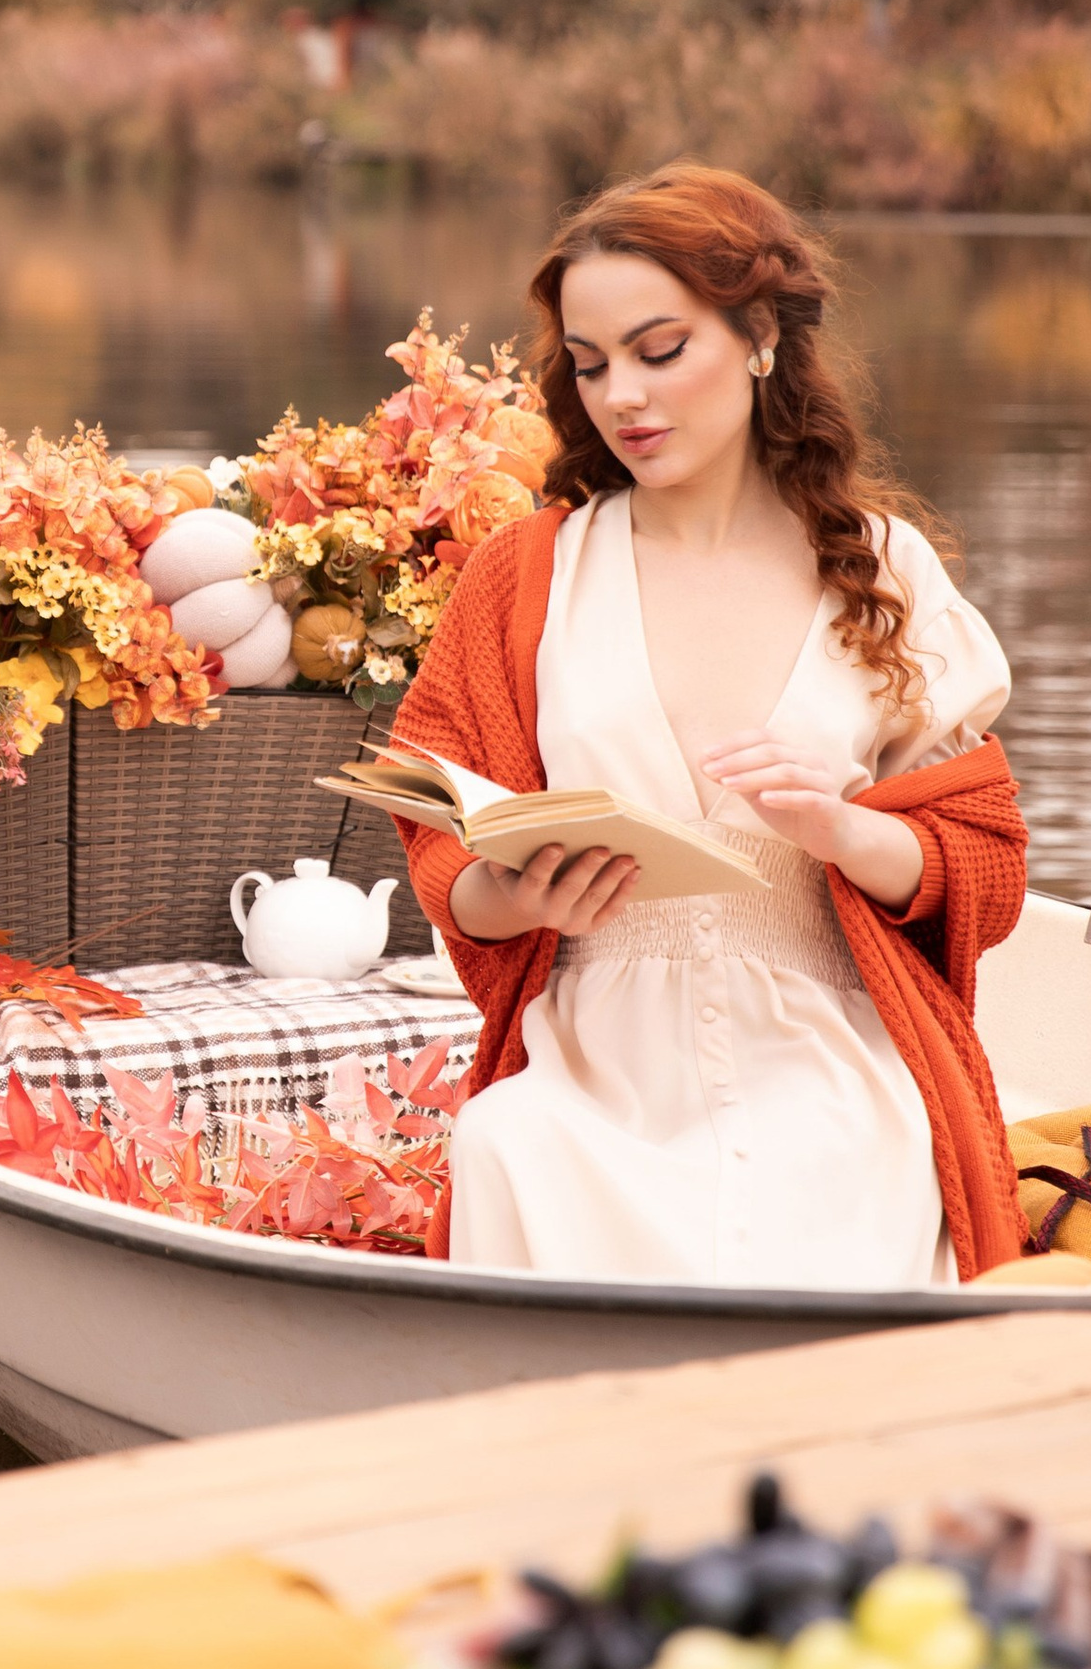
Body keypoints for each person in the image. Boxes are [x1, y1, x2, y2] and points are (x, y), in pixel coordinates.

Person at [392, 165, 1028, 1288]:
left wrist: (839, 829)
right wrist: (515, 896)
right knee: (506, 1145)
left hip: (827, 1052)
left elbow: (985, 869)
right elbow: (445, 839)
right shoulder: (526, 574)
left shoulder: (887, 571)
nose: (621, 397)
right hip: (596, 1058)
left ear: (759, 337)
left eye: (658, 349)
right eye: (589, 367)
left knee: (834, 1174)